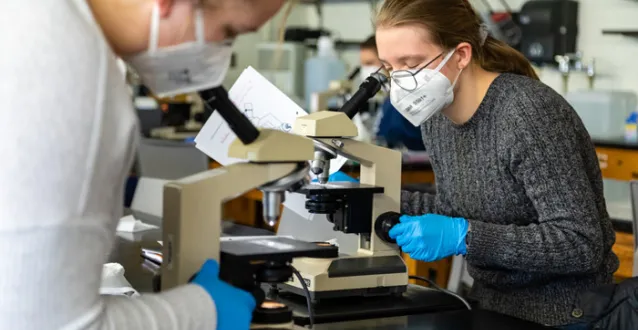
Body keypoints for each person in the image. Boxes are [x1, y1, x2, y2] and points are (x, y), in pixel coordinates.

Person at [0, 0, 286, 329]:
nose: (218, 58)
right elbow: (48, 324)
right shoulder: (69, 70)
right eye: (228, 32)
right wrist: (203, 310)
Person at [333, 0, 618, 328]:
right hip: (489, 304)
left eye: (410, 63)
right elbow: (458, 210)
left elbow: (580, 243)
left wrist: (465, 237)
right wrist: (369, 197)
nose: (399, 80)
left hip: (565, 314)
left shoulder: (526, 113)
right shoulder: (438, 117)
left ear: (461, 55)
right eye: (389, 66)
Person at [359, 35, 425, 151]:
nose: (365, 70)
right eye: (363, 64)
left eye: (369, 63)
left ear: (387, 62)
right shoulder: (389, 100)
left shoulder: (406, 101)